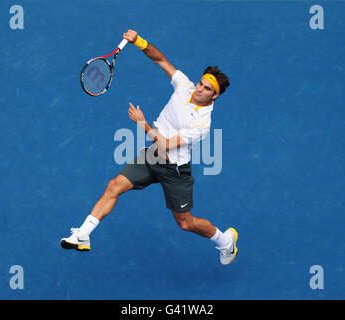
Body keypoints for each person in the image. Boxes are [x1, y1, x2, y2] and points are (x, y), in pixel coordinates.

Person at [61, 30, 238, 265]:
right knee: (114, 185)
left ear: (214, 97)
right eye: (200, 83)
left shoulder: (202, 123)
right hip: (152, 157)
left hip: (174, 169)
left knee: (186, 223)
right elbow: (161, 59)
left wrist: (142, 123)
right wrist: (139, 42)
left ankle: (225, 240)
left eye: (206, 89)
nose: (199, 89)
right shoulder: (185, 86)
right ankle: (83, 235)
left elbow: (165, 143)